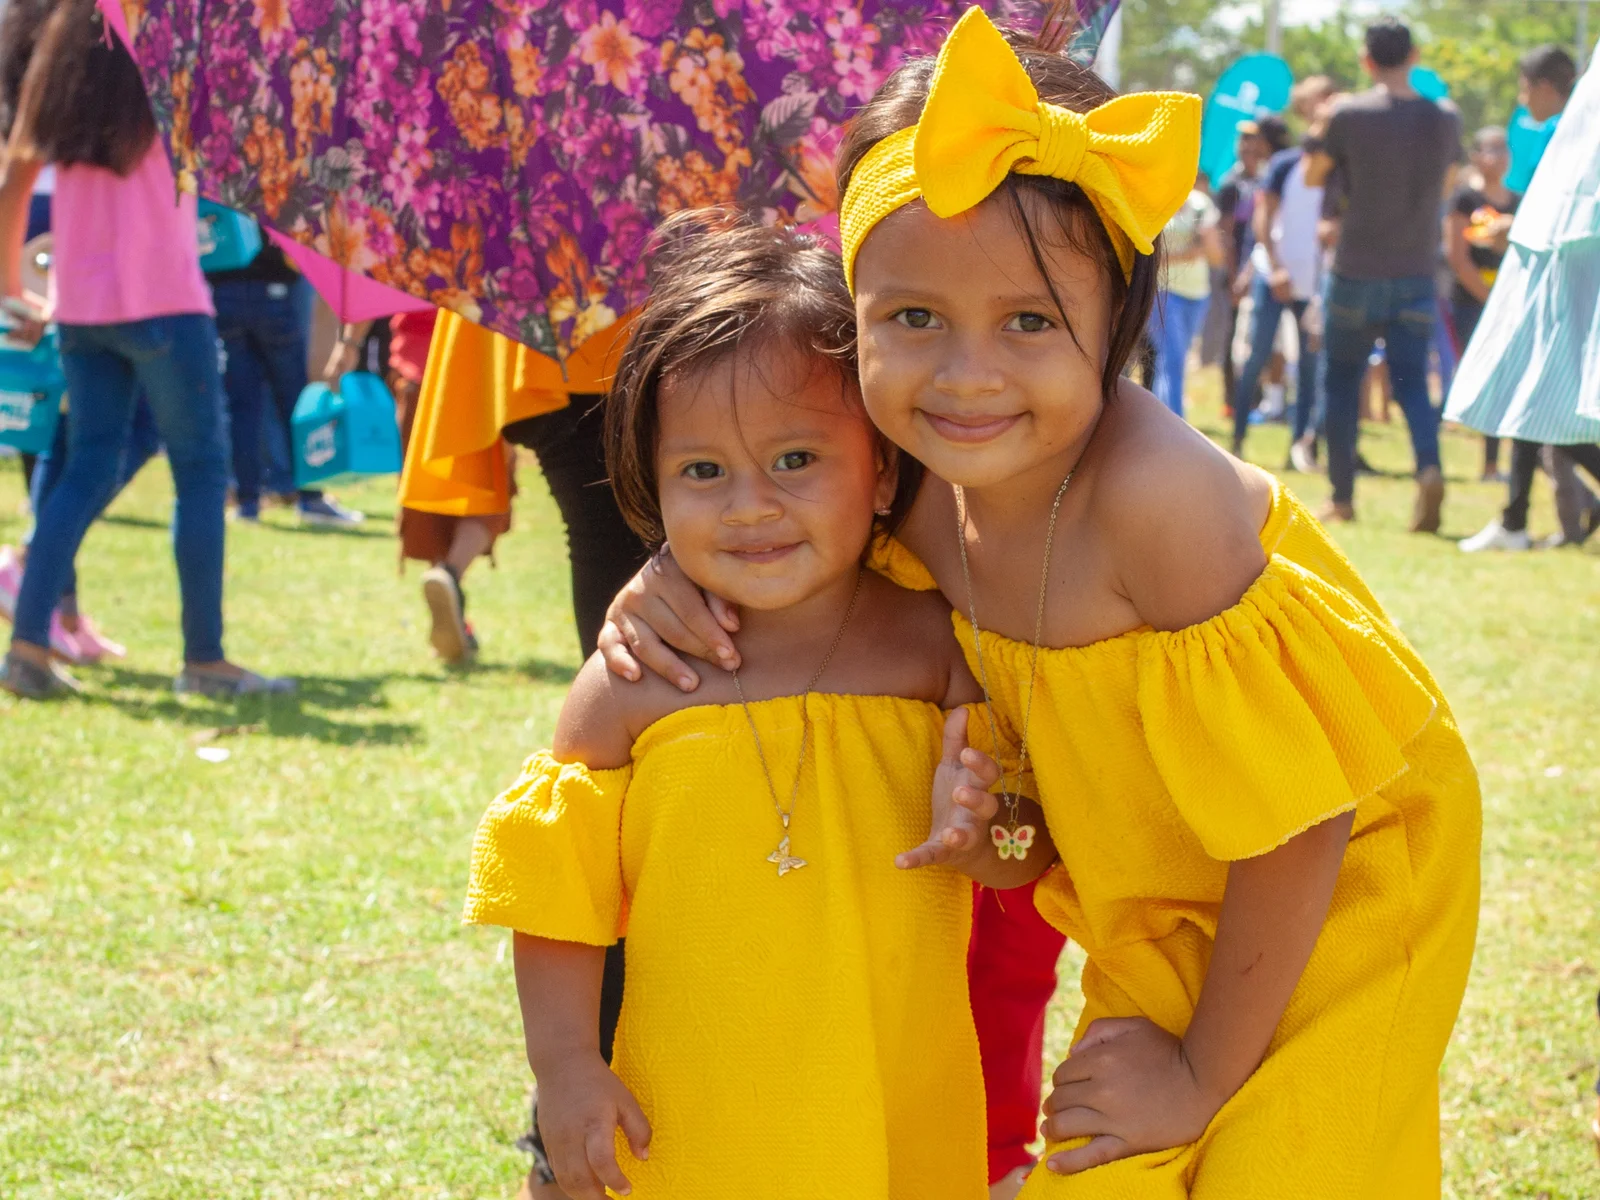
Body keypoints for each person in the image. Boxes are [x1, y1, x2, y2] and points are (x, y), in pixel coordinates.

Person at [601, 9, 1483, 1194]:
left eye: (1030, 321)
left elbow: (1300, 824)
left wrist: (1198, 1072)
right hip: (1163, 909)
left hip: (1343, 898)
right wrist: (668, 577)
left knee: (1285, 1166)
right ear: (851, 320)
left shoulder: (1155, 503)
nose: (967, 375)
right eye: (913, 320)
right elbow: (1036, 834)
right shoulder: (902, 505)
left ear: (1115, 328)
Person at [466, 212, 1055, 1200]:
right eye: (704, 472)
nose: (749, 505)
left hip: (890, 1111)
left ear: (880, 470)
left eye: (795, 462)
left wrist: (985, 833)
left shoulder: (938, 649)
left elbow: (1028, 852)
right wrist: (565, 1067)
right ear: (649, 491)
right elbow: (555, 898)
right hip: (690, 1121)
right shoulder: (629, 684)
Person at [0, 0, 291, 698]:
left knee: (85, 467)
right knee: (200, 472)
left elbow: (16, 174)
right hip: (165, 303)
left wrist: (12, 287)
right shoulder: (175, 42)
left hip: (83, 309)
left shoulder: (64, 52)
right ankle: (205, 660)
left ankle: (28, 651)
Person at [1305, 18, 1461, 531]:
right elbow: (1449, 185)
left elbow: (1312, 176)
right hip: (1416, 269)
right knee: (1413, 384)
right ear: (1414, 55)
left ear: (1365, 60)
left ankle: (1343, 498)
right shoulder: (1444, 117)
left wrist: (1323, 124)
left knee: (1343, 382)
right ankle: (1429, 469)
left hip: (1355, 269)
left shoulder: (1350, 113)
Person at [1450, 52, 1600, 552]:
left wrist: (1512, 230)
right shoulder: (1569, 124)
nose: (1520, 100)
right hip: (1558, 264)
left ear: (1541, 85)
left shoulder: (1577, 125)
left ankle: (1515, 522)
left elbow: (1577, 202)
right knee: (1535, 394)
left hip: (1566, 270)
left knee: (1544, 396)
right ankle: (1514, 519)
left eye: (1522, 87)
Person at [208, 240, 364, 527]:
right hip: (275, 292)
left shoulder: (218, 193)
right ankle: (310, 497)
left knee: (243, 406)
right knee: (294, 401)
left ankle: (248, 502)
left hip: (224, 294)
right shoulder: (273, 194)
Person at [1231, 86, 1329, 463]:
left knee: (1307, 367)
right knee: (1256, 359)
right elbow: (1263, 219)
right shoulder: (1285, 164)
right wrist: (1276, 269)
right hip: (1273, 278)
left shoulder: (1338, 175)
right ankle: (1238, 439)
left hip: (1312, 286)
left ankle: (1299, 449)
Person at [1444, 127, 1518, 480]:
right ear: (1475, 156)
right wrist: (1489, 299)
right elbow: (1458, 258)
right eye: (1489, 149)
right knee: (1482, 379)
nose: (1497, 156)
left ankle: (1495, 464)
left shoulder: (1518, 201)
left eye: (1502, 149)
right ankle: (1487, 464)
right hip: (1471, 303)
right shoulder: (1464, 199)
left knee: (1504, 380)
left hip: (1508, 304)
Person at [1146, 174, 1223, 418]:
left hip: (1198, 295)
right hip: (1163, 292)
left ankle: (1162, 423)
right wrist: (1185, 254)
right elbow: (1145, 255)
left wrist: (1206, 239)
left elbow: (1216, 257)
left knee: (1175, 362)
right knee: (1173, 361)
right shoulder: (1153, 203)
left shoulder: (1201, 204)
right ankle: (1173, 424)